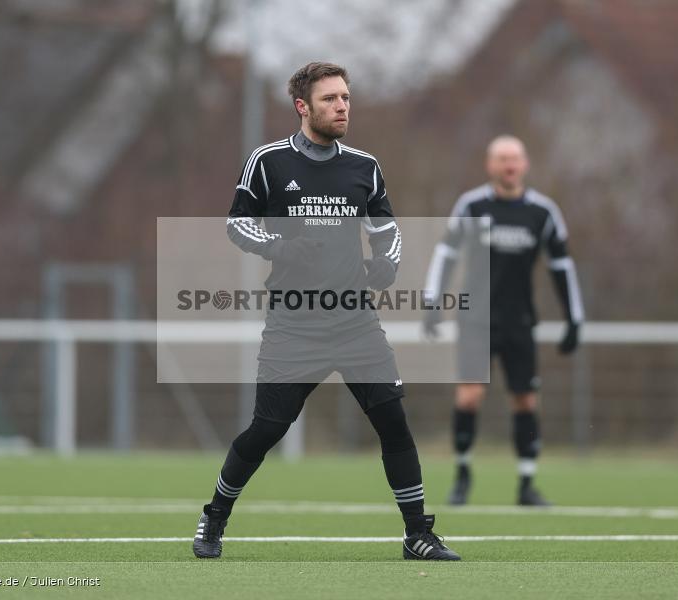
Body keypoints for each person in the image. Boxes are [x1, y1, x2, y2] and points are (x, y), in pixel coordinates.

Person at [192, 62, 459, 561]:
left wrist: (387, 264)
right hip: (293, 323)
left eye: (346, 98)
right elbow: (237, 224)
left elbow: (387, 231)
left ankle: (417, 534)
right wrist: (280, 248)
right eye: (330, 99)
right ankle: (215, 516)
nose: (342, 107)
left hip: (355, 321)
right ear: (303, 106)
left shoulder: (365, 167)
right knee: (267, 430)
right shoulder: (268, 162)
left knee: (393, 423)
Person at [423, 135, 584, 506]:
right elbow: (446, 254)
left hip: (520, 321)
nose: (509, 165)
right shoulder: (472, 205)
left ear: (524, 164)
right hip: (475, 320)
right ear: (490, 164)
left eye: (515, 159)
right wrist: (433, 303)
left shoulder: (543, 212)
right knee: (470, 395)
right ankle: (462, 477)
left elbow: (562, 266)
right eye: (502, 159)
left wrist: (574, 319)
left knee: (525, 400)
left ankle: (527, 484)